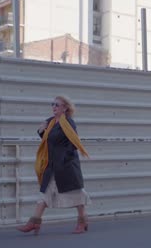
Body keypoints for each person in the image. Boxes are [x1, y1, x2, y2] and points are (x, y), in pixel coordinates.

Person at [17, 95, 91, 235]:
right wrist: (41, 131)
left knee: (76, 193)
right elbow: (49, 141)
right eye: (53, 104)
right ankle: (34, 222)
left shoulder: (68, 123)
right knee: (45, 193)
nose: (54, 107)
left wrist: (64, 159)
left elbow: (74, 143)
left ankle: (82, 221)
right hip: (51, 165)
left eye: (57, 105)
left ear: (65, 108)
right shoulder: (50, 122)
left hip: (66, 166)